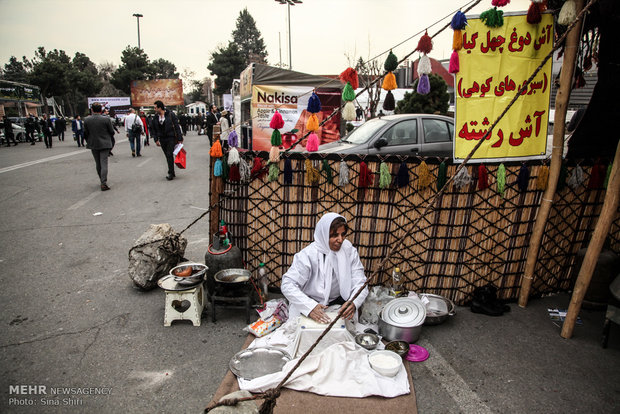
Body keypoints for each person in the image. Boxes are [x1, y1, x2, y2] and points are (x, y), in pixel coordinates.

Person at [281, 213, 368, 323]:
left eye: (343, 234)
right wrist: (310, 307)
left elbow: (360, 282)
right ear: (323, 234)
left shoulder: (349, 250)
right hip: (308, 304)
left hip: (339, 304)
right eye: (334, 235)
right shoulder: (308, 255)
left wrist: (354, 302)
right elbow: (287, 284)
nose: (340, 240)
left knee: (343, 335)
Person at [84, 102, 115, 191]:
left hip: (93, 144)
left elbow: (85, 133)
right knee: (104, 163)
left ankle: (101, 180)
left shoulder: (87, 120)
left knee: (98, 163)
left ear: (92, 110)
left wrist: (89, 140)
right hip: (105, 144)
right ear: (101, 110)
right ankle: (103, 182)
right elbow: (111, 132)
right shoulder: (106, 119)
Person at [151, 100, 183, 181]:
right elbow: (154, 129)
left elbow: (176, 126)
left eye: (155, 108)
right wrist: (156, 140)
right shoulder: (155, 117)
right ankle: (172, 171)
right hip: (162, 139)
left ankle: (170, 173)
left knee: (169, 154)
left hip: (171, 137)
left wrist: (180, 138)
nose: (154, 109)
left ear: (160, 108)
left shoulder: (170, 115)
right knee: (167, 155)